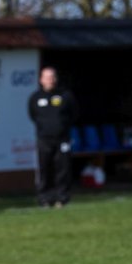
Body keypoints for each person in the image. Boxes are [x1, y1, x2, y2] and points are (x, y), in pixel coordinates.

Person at [27, 67, 79, 208]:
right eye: (47, 77)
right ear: (41, 80)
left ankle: (61, 198)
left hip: (62, 139)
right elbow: (32, 115)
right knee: (45, 169)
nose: (50, 80)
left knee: (62, 169)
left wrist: (62, 128)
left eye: (52, 77)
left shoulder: (65, 96)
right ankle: (45, 199)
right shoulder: (35, 98)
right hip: (44, 139)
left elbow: (74, 114)